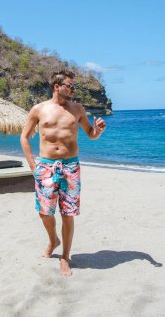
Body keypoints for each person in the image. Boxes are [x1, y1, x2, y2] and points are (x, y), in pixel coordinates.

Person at [20, 70, 106, 276]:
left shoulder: (77, 109)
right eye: (70, 85)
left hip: (70, 167)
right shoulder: (39, 109)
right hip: (46, 166)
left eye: (74, 86)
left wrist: (99, 130)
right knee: (44, 212)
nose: (73, 89)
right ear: (56, 87)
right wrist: (33, 166)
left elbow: (91, 135)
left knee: (68, 213)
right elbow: (24, 137)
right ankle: (53, 240)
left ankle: (65, 258)